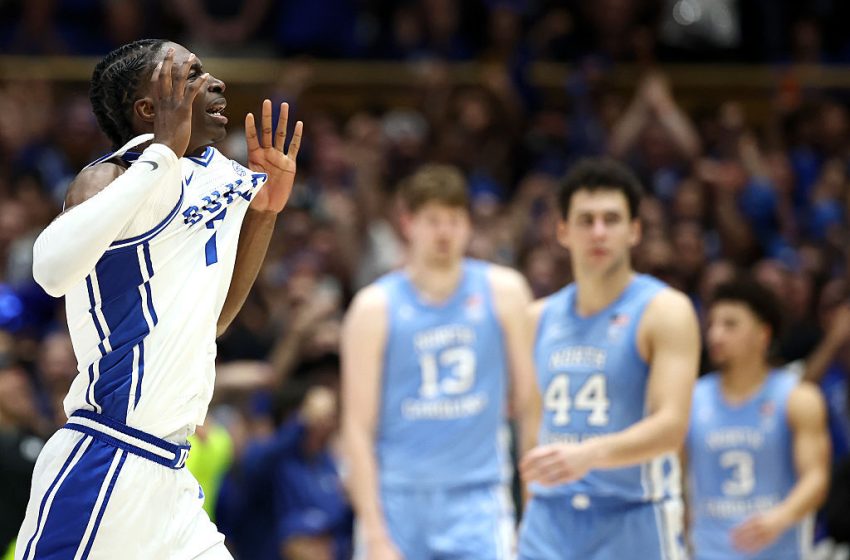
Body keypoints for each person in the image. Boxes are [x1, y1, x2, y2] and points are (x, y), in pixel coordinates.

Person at [15, 38, 303, 559]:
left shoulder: (218, 175)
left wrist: (265, 212)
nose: (213, 82)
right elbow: (50, 270)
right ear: (149, 108)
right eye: (189, 75)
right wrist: (161, 154)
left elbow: (211, 322)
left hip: (172, 476)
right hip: (105, 457)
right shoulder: (112, 176)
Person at [341, 164, 536, 560]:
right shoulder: (373, 308)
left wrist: (533, 511)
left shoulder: (506, 292)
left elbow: (532, 405)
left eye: (454, 220)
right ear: (407, 224)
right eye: (433, 221)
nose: (445, 232)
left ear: (469, 225)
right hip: (397, 501)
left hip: (479, 500)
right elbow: (357, 429)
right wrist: (375, 533)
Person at [518, 157, 701, 560]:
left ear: (634, 231)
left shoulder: (664, 311)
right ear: (562, 231)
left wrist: (587, 455)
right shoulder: (537, 319)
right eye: (586, 220)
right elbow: (531, 433)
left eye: (611, 219)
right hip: (549, 521)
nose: (598, 232)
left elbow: (672, 426)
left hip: (633, 517)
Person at [685, 279, 830, 559]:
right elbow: (673, 475)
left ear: (763, 334)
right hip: (708, 552)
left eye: (730, 324)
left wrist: (781, 517)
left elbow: (816, 479)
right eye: (712, 324)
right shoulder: (692, 398)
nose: (716, 334)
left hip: (778, 551)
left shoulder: (797, 397)